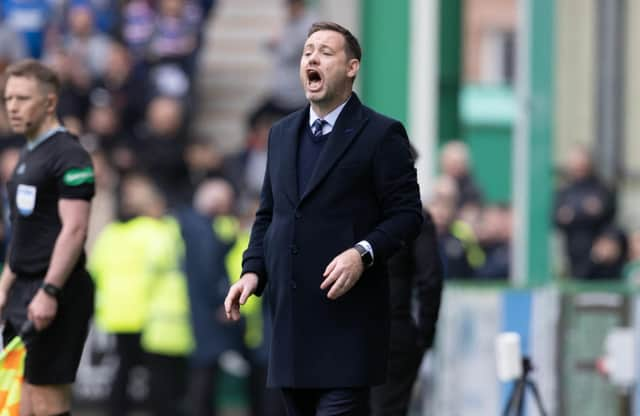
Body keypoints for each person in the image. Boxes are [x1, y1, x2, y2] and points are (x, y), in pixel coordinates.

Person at [224, 21, 423, 415]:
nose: (312, 58)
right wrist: (253, 271)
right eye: (306, 52)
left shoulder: (381, 134)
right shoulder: (280, 134)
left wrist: (361, 253)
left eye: (325, 52)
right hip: (291, 330)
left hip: (347, 328)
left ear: (351, 68)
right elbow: (269, 215)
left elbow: (407, 215)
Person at [0, 59, 95, 416]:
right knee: (20, 399)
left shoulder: (69, 154)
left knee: (46, 399)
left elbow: (75, 229)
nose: (12, 106)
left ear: (50, 103)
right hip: (23, 286)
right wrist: (5, 284)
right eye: (8, 98)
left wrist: (50, 291)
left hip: (57, 290)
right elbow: (25, 232)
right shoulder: (28, 152)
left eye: (23, 98)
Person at [370, 207, 443, 416]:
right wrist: (425, 335)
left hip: (348, 331)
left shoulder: (349, 208)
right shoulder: (414, 216)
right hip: (394, 331)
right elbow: (430, 280)